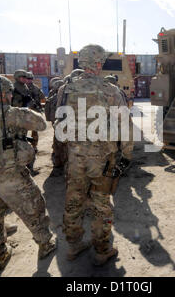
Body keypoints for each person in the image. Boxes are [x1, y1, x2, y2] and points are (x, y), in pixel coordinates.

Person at [0, 74, 56, 270]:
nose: (9, 95)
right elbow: (41, 124)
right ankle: (45, 243)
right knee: (34, 207)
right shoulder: (11, 114)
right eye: (7, 92)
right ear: (0, 94)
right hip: (9, 176)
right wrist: (23, 111)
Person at [57, 44, 133, 265]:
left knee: (74, 200)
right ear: (98, 63)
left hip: (75, 157)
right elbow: (124, 126)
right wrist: (127, 155)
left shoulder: (66, 89)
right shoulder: (110, 90)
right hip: (101, 160)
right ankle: (101, 250)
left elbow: (58, 123)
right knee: (101, 204)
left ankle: (73, 246)